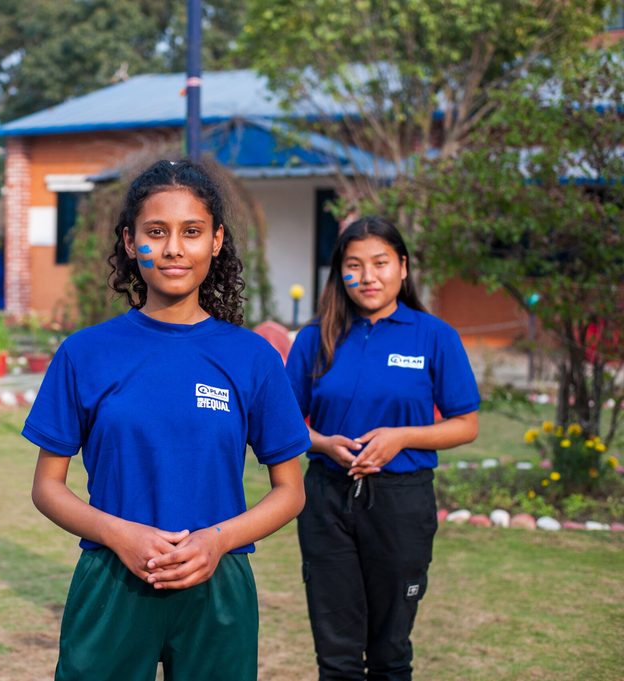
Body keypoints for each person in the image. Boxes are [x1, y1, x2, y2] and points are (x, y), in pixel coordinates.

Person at [24, 159, 310, 681]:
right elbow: (48, 486)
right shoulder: (86, 353)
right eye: (157, 232)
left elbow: (290, 491)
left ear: (217, 241)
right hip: (112, 578)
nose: (174, 248)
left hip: (217, 582)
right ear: (131, 244)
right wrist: (120, 535)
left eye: (192, 232)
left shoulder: (251, 357)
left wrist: (218, 540)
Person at [285, 216, 480, 680]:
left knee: (390, 653)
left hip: (401, 502)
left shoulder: (434, 336)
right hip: (327, 501)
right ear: (339, 273)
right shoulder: (316, 338)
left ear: (403, 267)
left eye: (380, 263)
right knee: (336, 657)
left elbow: (466, 424)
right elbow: (284, 421)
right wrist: (323, 443)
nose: (367, 277)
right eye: (354, 265)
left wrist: (403, 436)